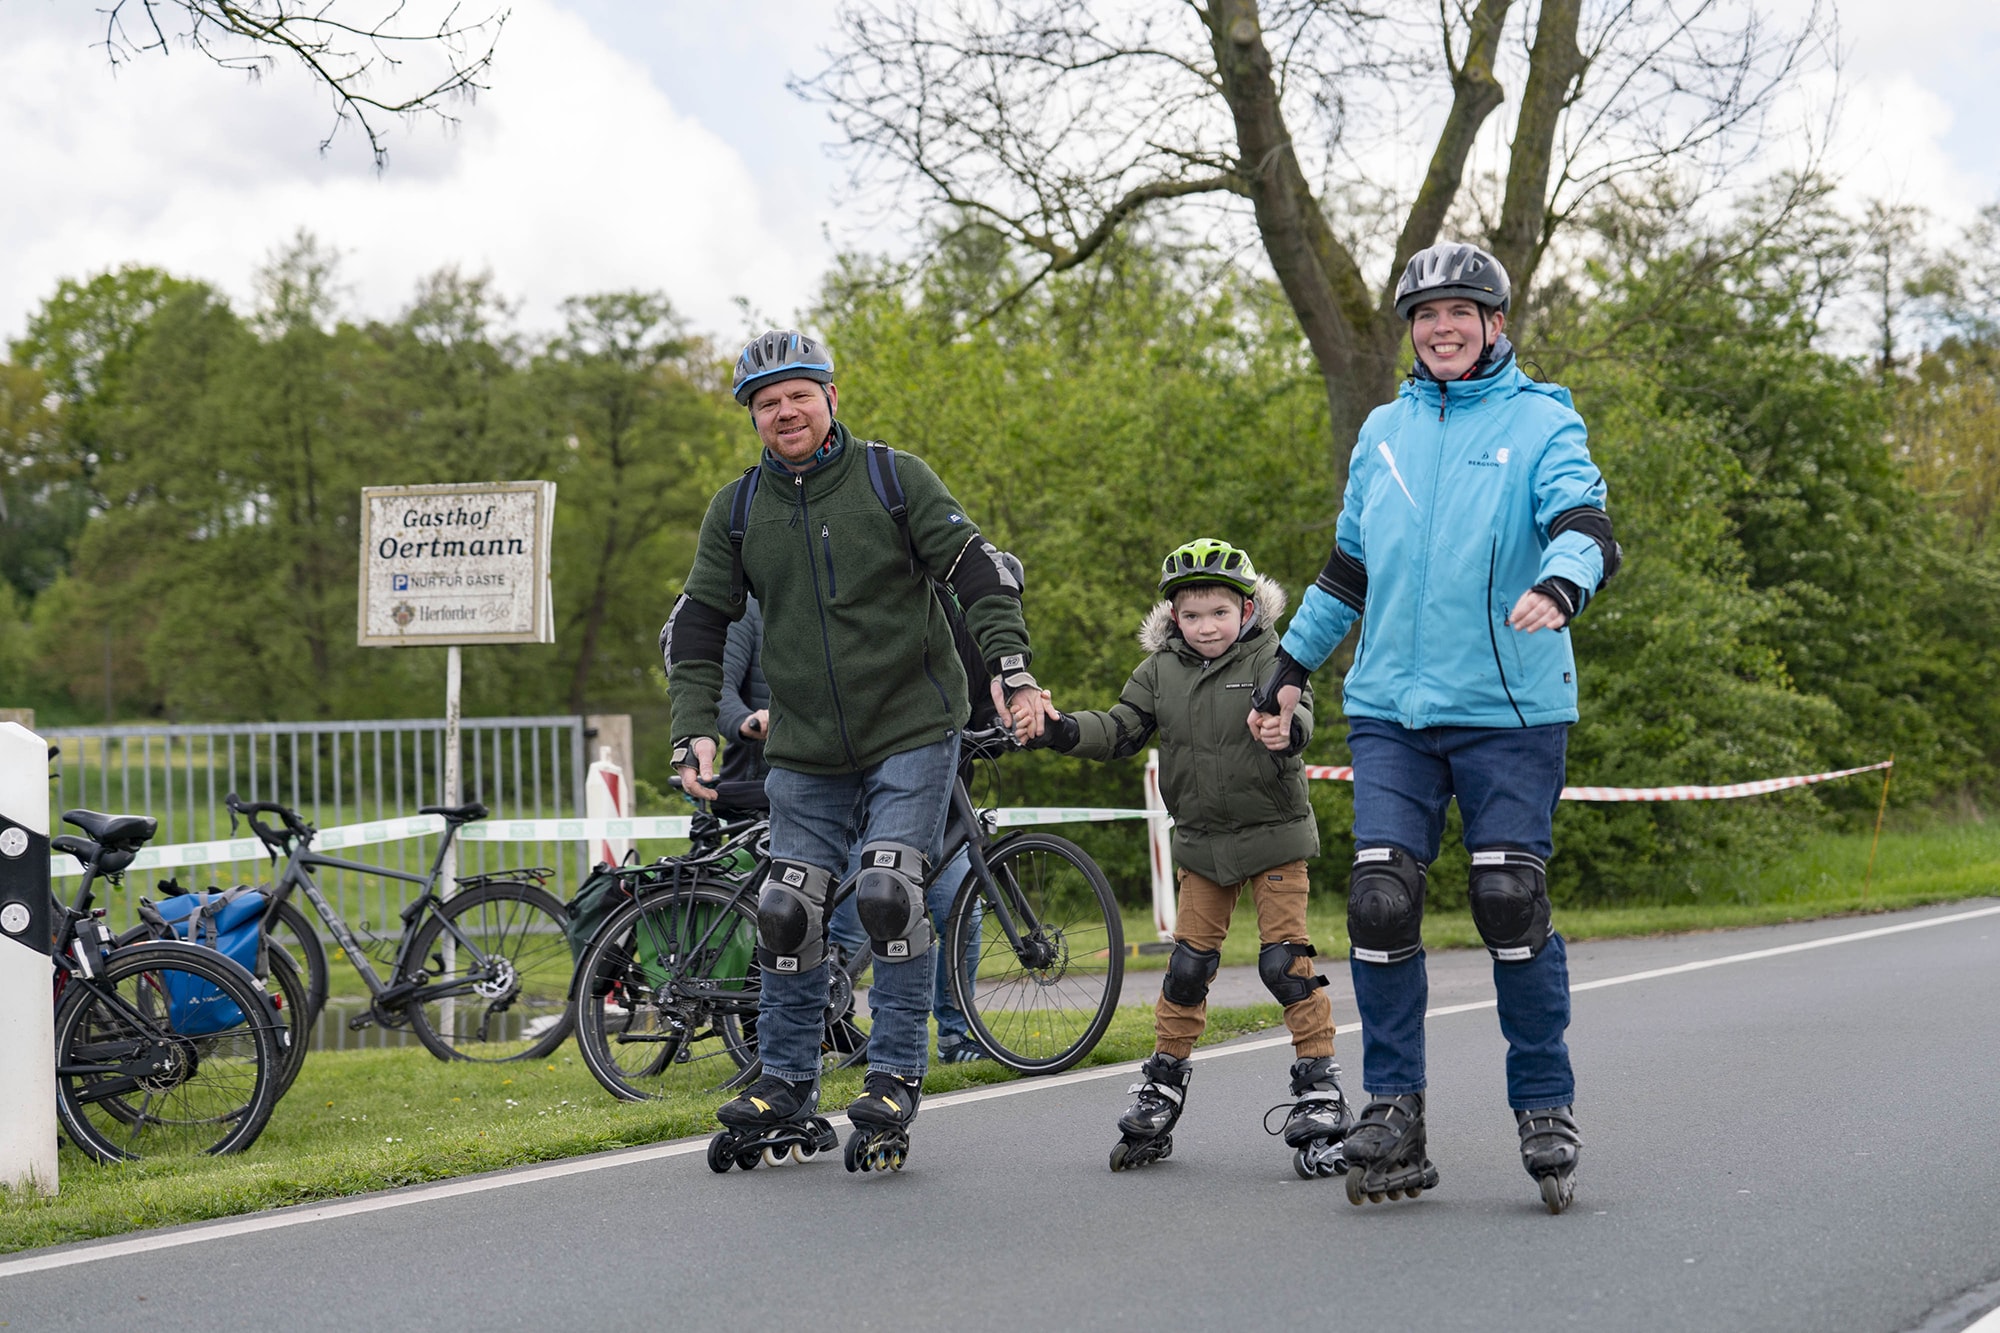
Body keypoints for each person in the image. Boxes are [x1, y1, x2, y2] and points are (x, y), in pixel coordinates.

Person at [1249, 242, 1620, 1214]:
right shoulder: (1381, 430)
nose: (1441, 326)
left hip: (1507, 710)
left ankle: (1543, 1103)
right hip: (1390, 712)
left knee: (1505, 898)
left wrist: (1560, 582)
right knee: (1377, 898)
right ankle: (1392, 1109)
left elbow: (1585, 523)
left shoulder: (1542, 421)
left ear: (1496, 326)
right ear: (1408, 333)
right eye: (1424, 314)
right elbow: (1346, 572)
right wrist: (1286, 669)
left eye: (1461, 310)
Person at [664, 329, 1054, 1170]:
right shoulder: (738, 509)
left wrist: (1012, 673)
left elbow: (978, 570)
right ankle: (786, 1080)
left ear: (831, 397)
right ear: (754, 419)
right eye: (767, 403)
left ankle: (892, 1075)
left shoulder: (892, 477)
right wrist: (694, 726)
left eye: (798, 394)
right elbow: (699, 621)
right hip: (805, 744)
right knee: (787, 907)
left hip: (913, 724)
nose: (785, 412)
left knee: (886, 890)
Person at [1034, 538, 1349, 1174]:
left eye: (1219, 612)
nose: (1206, 626)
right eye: (1191, 614)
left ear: (1248, 608)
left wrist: (1286, 730)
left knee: (1285, 962)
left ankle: (1320, 1085)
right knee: (1186, 968)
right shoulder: (1158, 672)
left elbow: (1301, 714)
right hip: (1204, 845)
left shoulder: (1274, 658)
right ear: (1173, 618)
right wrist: (1061, 729)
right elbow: (1120, 728)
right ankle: (1161, 1083)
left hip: (1274, 836)